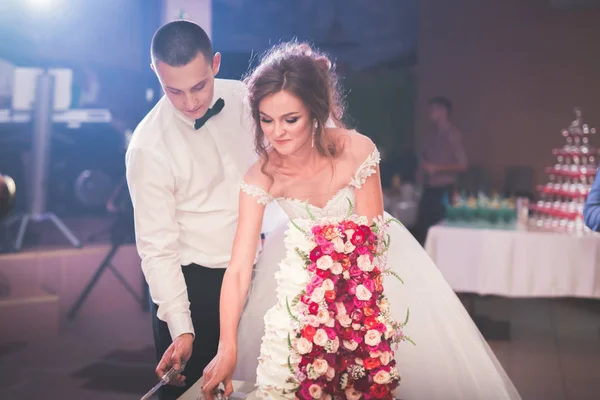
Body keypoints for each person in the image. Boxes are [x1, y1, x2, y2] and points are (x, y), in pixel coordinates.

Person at [200, 42, 520, 400]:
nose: (277, 132)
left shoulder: (357, 150)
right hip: (301, 277)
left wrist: (349, 301)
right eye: (266, 120)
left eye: (291, 119)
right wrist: (226, 345)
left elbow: (374, 237)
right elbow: (240, 268)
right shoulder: (261, 176)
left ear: (316, 111)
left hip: (372, 275)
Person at [125, 20, 257, 400]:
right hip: (193, 283)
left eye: (199, 86)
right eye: (174, 91)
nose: (190, 102)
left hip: (256, 272)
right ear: (156, 73)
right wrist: (182, 328)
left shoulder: (248, 99)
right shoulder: (148, 147)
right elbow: (157, 249)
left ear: (215, 63)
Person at [413, 97, 468, 245]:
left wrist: (437, 168)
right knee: (422, 228)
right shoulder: (430, 135)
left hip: (445, 189)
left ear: (444, 112)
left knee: (442, 229)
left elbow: (462, 165)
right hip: (429, 188)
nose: (431, 112)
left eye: (435, 109)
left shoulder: (453, 135)